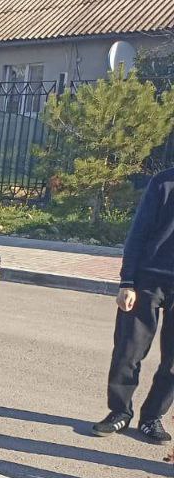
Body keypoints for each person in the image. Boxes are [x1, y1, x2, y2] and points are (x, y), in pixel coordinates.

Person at [93, 165, 174, 444]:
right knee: (128, 351)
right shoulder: (163, 183)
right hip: (147, 279)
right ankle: (120, 412)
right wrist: (127, 281)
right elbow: (138, 231)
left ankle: (152, 417)